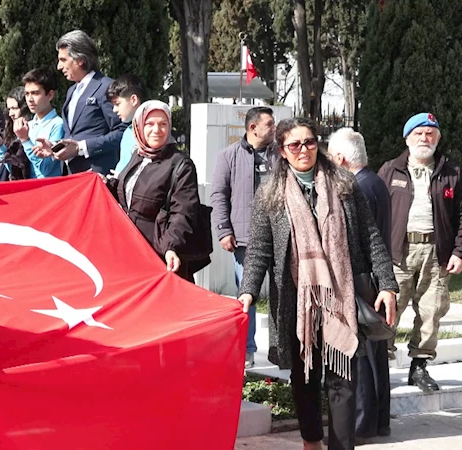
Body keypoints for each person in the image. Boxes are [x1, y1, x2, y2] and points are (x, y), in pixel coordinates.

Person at [238, 117, 397, 450]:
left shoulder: (344, 185)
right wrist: (247, 292)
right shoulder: (270, 196)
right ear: (282, 151)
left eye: (309, 142)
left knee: (343, 379)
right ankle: (312, 440)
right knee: (305, 376)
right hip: (297, 301)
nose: (304, 150)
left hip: (341, 297)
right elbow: (259, 251)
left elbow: (371, 237)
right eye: (294, 145)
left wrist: (387, 284)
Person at [377, 112, 462, 392]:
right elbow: (374, 212)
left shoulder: (452, 173)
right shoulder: (390, 170)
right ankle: (380, 364)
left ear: (438, 138)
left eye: (430, 133)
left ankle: (420, 366)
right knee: (390, 308)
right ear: (407, 138)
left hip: (437, 252)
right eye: (419, 133)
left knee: (432, 310)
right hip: (397, 251)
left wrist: (458, 252)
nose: (424, 138)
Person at [327, 127, 393, 441]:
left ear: (340, 158)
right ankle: (379, 420)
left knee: (362, 353)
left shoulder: (357, 188)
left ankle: (364, 423)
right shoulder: (375, 181)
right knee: (375, 352)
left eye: (329, 155)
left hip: (362, 277)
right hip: (373, 278)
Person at [210, 106, 277, 369]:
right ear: (253, 128)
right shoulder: (228, 156)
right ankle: (247, 349)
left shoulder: (280, 156)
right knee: (246, 296)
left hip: (281, 237)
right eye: (269, 124)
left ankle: (281, 347)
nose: (274, 128)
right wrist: (224, 230)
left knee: (283, 294)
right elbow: (218, 196)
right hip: (245, 240)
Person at [104, 100, 201, 281]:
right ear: (139, 126)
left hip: (158, 255)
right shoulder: (138, 155)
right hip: (128, 251)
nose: (156, 130)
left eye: (163, 124)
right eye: (149, 124)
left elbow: (182, 212)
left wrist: (171, 247)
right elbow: (126, 192)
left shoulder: (180, 164)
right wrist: (103, 184)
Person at [52, 30, 127, 174]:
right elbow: (75, 135)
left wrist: (82, 148)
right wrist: (54, 147)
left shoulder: (106, 87)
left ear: (80, 60)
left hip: (97, 177)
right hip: (72, 177)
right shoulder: (71, 91)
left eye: (63, 60)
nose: (59, 67)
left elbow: (122, 132)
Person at [9, 67, 64, 178]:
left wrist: (25, 140)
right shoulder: (28, 125)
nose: (30, 99)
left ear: (50, 95)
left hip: (49, 190)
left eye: (35, 93)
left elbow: (46, 168)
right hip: (28, 190)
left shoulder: (58, 124)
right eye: (27, 94)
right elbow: (15, 169)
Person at [106, 74, 147, 175]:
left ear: (133, 100)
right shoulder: (128, 132)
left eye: (117, 103)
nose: (114, 110)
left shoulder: (152, 133)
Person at [0, 86, 33, 181]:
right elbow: (10, 166)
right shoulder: (9, 130)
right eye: (9, 109)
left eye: (14, 108)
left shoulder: (33, 129)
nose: (10, 113)